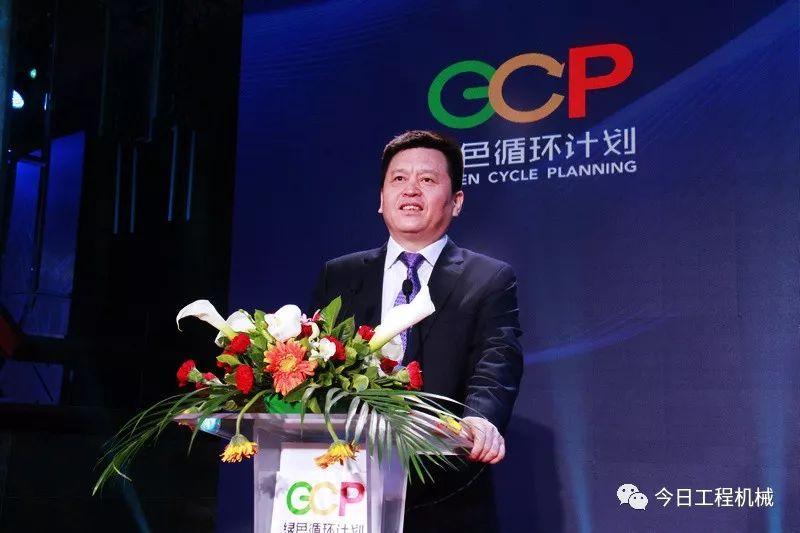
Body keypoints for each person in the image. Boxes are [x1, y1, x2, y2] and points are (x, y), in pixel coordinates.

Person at [313, 130, 523, 532]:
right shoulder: (339, 275)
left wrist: (480, 420)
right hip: (342, 482)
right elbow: (317, 363)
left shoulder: (488, 278)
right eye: (398, 178)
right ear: (381, 199)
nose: (411, 189)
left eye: (427, 179)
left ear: (456, 201)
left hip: (442, 488)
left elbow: (497, 360)